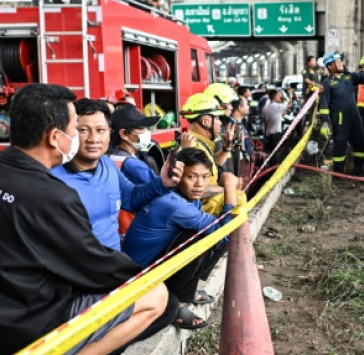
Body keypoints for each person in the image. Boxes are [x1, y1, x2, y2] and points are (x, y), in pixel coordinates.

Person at [0, 83, 171, 355]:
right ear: (55, 136)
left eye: (99, 130)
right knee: (158, 297)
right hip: (27, 329)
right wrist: (143, 276)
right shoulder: (54, 195)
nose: (84, 136)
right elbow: (94, 267)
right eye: (78, 128)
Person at [124, 148, 242, 329]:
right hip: (139, 274)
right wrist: (229, 188)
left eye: (205, 177)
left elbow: (205, 193)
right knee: (204, 236)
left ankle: (190, 287)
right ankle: (177, 305)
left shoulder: (180, 195)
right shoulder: (173, 204)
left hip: (151, 260)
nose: (199, 184)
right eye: (191, 177)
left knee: (209, 230)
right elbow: (225, 234)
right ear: (178, 177)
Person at [51, 98, 178, 251]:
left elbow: (130, 198)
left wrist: (161, 183)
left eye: (100, 130)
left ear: (109, 134)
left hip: (114, 267)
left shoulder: (107, 164)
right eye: (83, 130)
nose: (93, 139)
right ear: (70, 133)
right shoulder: (53, 179)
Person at [180, 93, 238, 216]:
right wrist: (229, 188)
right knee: (239, 198)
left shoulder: (199, 142)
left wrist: (226, 147)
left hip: (207, 208)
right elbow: (191, 190)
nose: (220, 123)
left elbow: (213, 164)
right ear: (206, 121)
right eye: (217, 118)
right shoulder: (194, 146)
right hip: (204, 213)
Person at [318, 51, 364, 175]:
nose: (341, 63)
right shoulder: (327, 83)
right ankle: (339, 172)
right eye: (337, 62)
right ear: (330, 66)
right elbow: (324, 105)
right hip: (340, 120)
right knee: (340, 146)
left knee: (359, 144)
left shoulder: (349, 77)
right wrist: (325, 122)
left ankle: (359, 170)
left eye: (341, 61)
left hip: (355, 117)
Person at [109, 104, 164, 186]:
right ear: (124, 134)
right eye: (141, 128)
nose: (147, 132)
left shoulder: (110, 157)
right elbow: (159, 190)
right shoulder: (135, 166)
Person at [261, 88, 290, 162]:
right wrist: (290, 94)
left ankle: (271, 169)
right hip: (276, 134)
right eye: (278, 95)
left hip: (268, 134)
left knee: (271, 153)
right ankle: (274, 170)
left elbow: (266, 121)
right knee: (275, 154)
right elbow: (290, 105)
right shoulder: (277, 106)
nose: (279, 96)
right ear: (275, 96)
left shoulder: (266, 107)